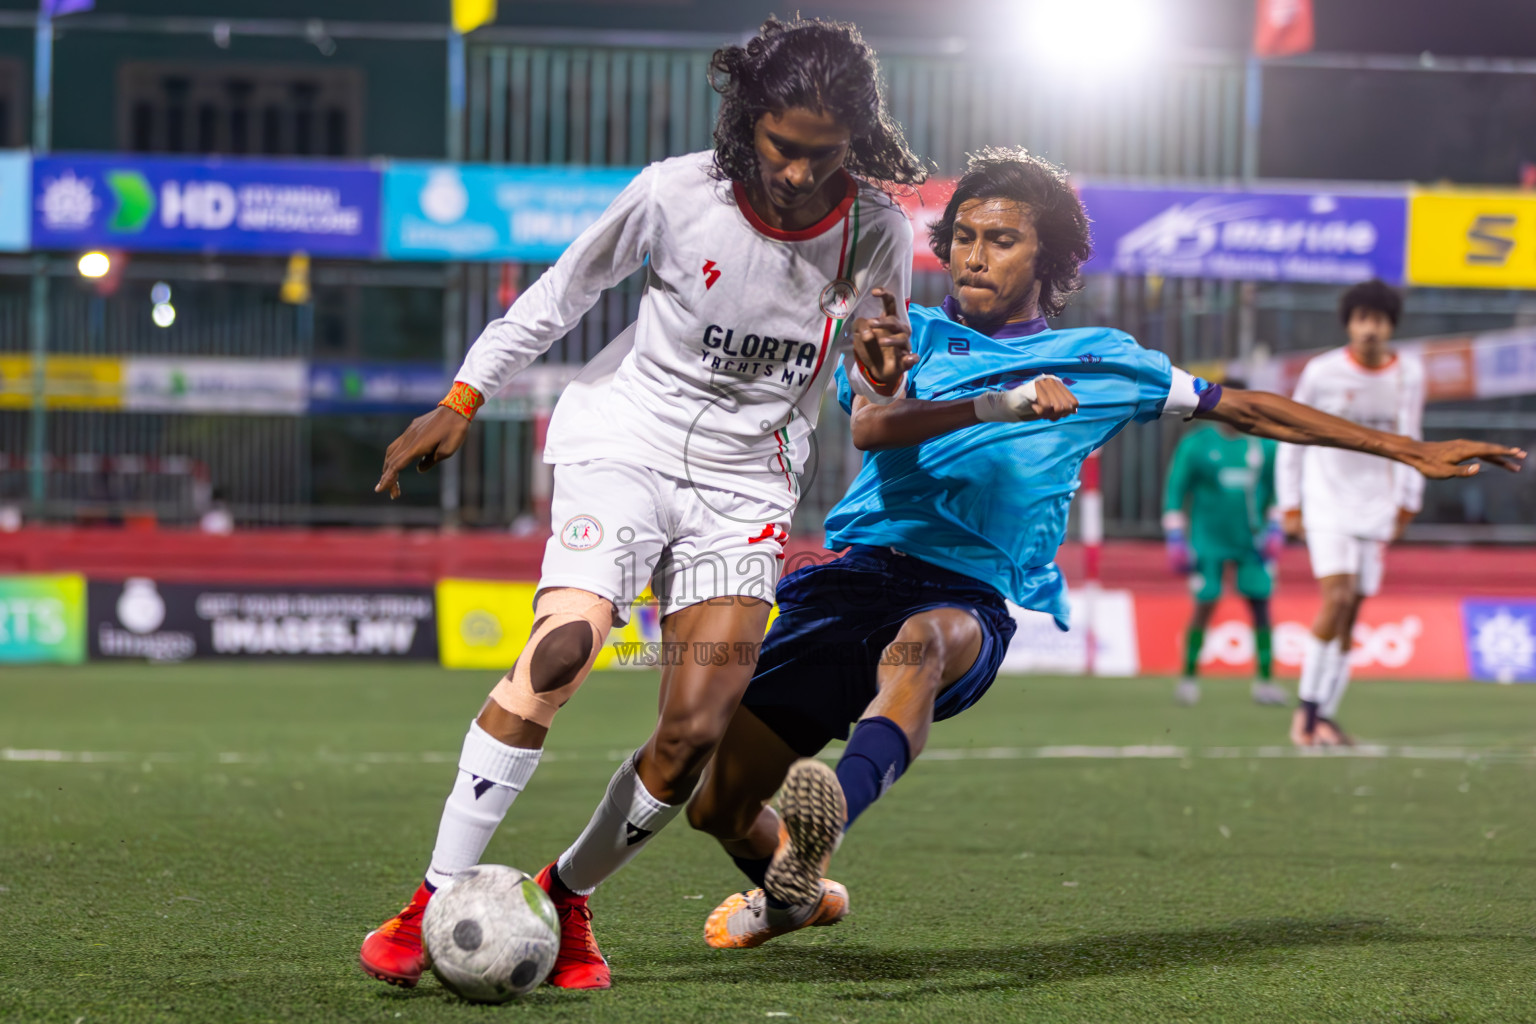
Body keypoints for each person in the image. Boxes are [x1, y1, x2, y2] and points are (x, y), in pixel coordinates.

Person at [683, 149, 1526, 950]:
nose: (975, 257)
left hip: (964, 598)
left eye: (1002, 239)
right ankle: (800, 893)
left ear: (1046, 259)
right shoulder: (909, 335)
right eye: (965, 237)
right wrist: (955, 389)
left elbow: (1253, 410)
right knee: (717, 805)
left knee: (924, 644)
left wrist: (1408, 451)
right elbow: (874, 424)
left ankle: (824, 825)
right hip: (850, 583)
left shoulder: (1105, 364)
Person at [358, 18, 930, 991]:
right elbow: (558, 295)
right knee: (566, 644)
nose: (795, 172)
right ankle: (430, 899)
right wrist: (463, 395)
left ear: (855, 141)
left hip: (747, 484)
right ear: (748, 120)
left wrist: (882, 370)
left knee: (694, 729)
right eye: (781, 146)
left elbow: (878, 378)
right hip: (627, 440)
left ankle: (564, 898)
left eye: (821, 154)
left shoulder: (877, 228)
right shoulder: (675, 194)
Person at [1276, 280, 1420, 747]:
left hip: (1376, 508)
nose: (1369, 328)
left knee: (1352, 614)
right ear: (1349, 323)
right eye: (1361, 318)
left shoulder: (1408, 374)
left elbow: (1411, 439)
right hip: (1326, 503)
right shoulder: (1322, 372)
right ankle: (1307, 715)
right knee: (1335, 599)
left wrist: (1407, 502)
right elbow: (1292, 433)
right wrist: (1290, 502)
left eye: (1378, 319)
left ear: (1390, 325)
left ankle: (1327, 715)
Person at [1162, 389, 1289, 707]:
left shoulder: (1264, 445)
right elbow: (1176, 489)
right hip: (1209, 540)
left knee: (1260, 605)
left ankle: (1265, 682)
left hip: (1252, 541)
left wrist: (1276, 527)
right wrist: (1176, 535)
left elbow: (1278, 491)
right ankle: (1189, 678)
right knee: (1205, 604)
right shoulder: (1197, 444)